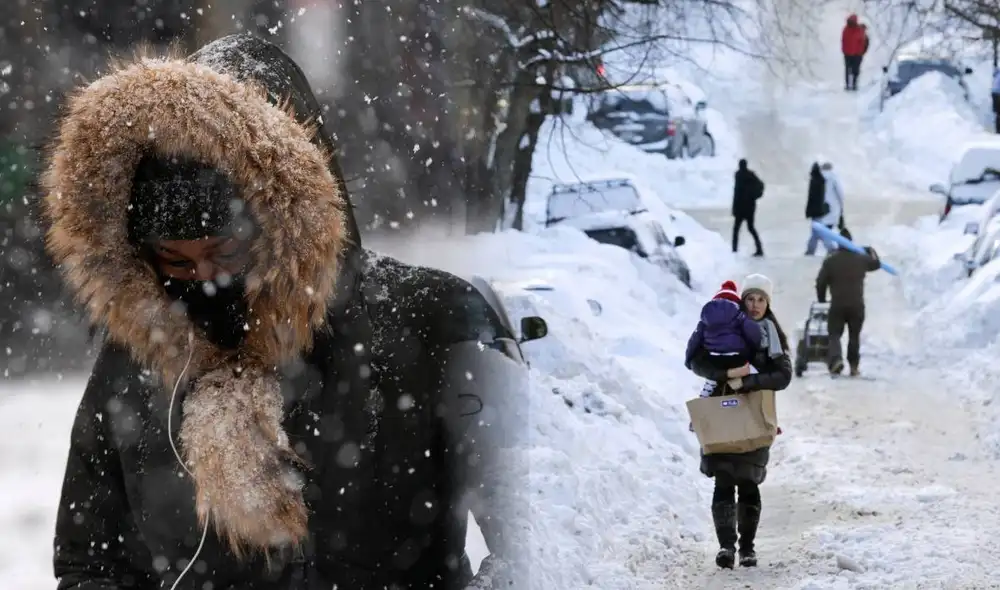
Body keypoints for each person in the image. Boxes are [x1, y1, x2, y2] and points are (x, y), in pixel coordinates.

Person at [43, 34, 523, 590]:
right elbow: (90, 565)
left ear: (282, 222)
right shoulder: (134, 364)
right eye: (175, 260)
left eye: (223, 251)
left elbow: (536, 534)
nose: (203, 279)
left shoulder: (428, 319)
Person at [686, 274, 792, 570]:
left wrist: (747, 381)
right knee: (723, 480)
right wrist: (725, 375)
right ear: (741, 300)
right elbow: (695, 361)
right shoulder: (720, 326)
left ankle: (747, 548)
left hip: (754, 414)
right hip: (721, 412)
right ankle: (725, 548)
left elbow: (783, 375)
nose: (755, 305)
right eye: (751, 298)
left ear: (768, 303)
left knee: (748, 482)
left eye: (762, 299)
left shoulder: (769, 334)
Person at [815, 227, 881, 377]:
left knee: (834, 334)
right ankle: (853, 366)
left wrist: (822, 299)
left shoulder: (830, 261)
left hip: (837, 304)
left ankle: (836, 360)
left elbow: (821, 282)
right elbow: (876, 264)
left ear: (838, 244)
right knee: (854, 335)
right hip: (857, 305)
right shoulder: (861, 259)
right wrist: (870, 250)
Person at [685, 280, 762, 394]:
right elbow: (754, 335)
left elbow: (694, 341)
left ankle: (711, 383)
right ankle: (744, 387)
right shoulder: (740, 316)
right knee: (751, 367)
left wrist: (689, 361)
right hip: (737, 359)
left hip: (713, 359)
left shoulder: (705, 319)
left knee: (707, 367)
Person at [731, 158, 765, 257]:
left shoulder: (738, 175)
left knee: (736, 229)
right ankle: (759, 248)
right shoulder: (750, 175)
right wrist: (754, 196)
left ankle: (734, 250)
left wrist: (734, 208)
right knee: (751, 228)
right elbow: (761, 185)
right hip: (750, 207)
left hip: (741, 207)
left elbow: (736, 194)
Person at [805, 162, 830, 255]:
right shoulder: (821, 180)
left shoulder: (814, 181)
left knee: (819, 231)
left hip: (815, 210)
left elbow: (811, 198)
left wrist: (808, 211)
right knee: (816, 231)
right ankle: (810, 250)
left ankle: (830, 247)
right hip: (819, 210)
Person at [841, 14, 868, 91]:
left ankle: (853, 84)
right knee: (849, 70)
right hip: (850, 53)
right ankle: (849, 85)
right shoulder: (847, 29)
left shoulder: (858, 30)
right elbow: (843, 41)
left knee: (854, 70)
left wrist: (862, 51)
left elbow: (863, 42)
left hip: (856, 54)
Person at [991, 67, 1000, 134]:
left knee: (997, 113)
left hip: (994, 93)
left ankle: (997, 130)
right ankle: (998, 130)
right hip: (998, 93)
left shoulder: (997, 73)